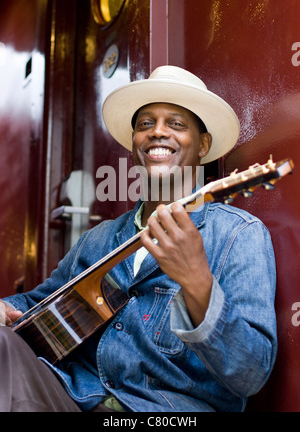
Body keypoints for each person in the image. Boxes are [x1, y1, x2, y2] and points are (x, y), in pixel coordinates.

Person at [0, 66, 277, 412]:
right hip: (73, 399)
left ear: (203, 145)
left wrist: (197, 283)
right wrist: (6, 308)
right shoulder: (98, 239)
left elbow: (251, 373)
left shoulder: (238, 236)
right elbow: (36, 303)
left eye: (176, 124)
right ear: (134, 144)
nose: (157, 133)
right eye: (145, 124)